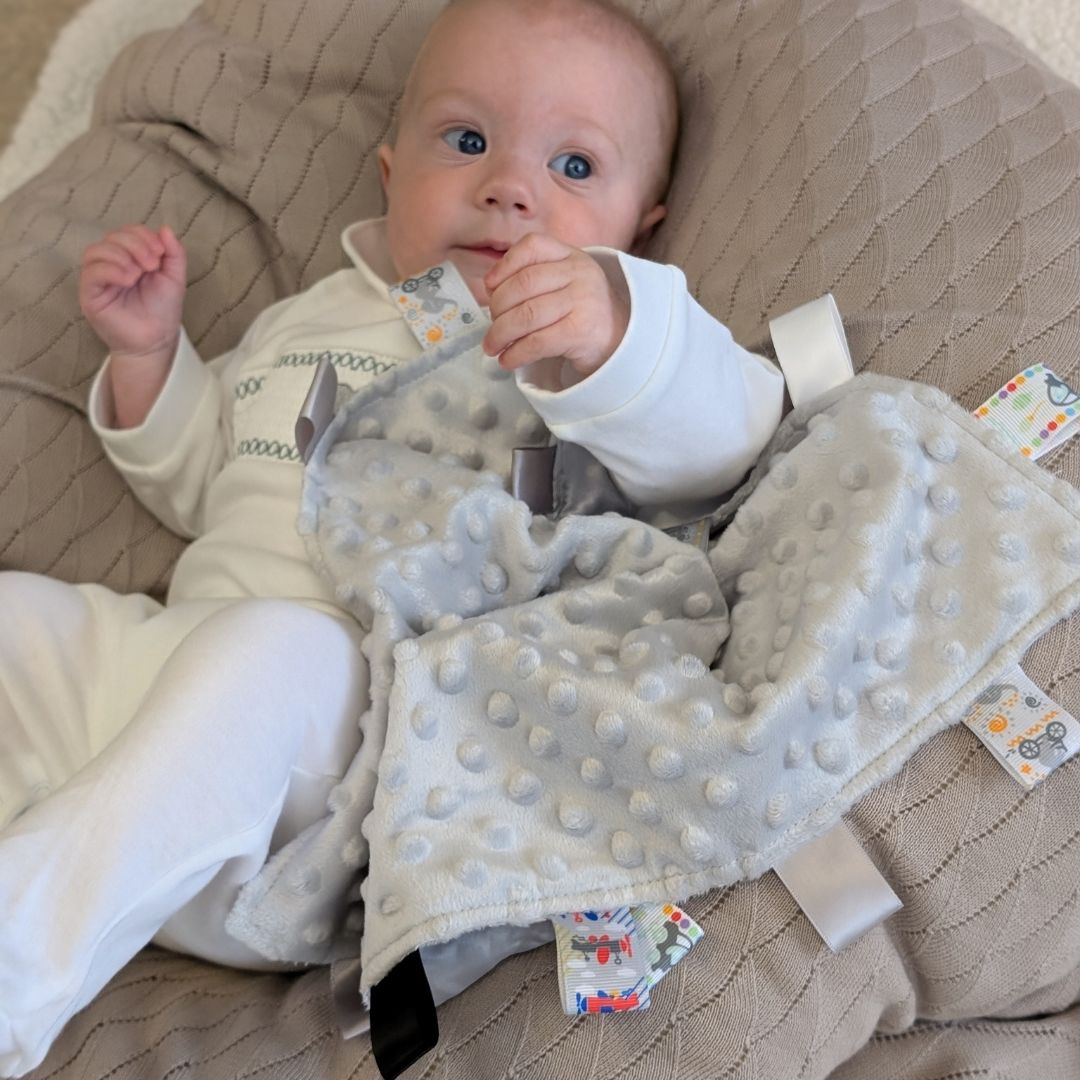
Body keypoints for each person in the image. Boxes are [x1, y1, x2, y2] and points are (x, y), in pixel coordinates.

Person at [0, 0, 794, 1074]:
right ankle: (68, 848)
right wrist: (151, 365)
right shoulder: (310, 319)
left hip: (342, 778)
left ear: (642, 224)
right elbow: (212, 482)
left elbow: (723, 440)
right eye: (466, 143)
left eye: (572, 166)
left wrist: (621, 333)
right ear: (389, 172)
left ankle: (19, 969)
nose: (509, 186)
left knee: (276, 651)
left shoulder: (589, 357)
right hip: (162, 688)